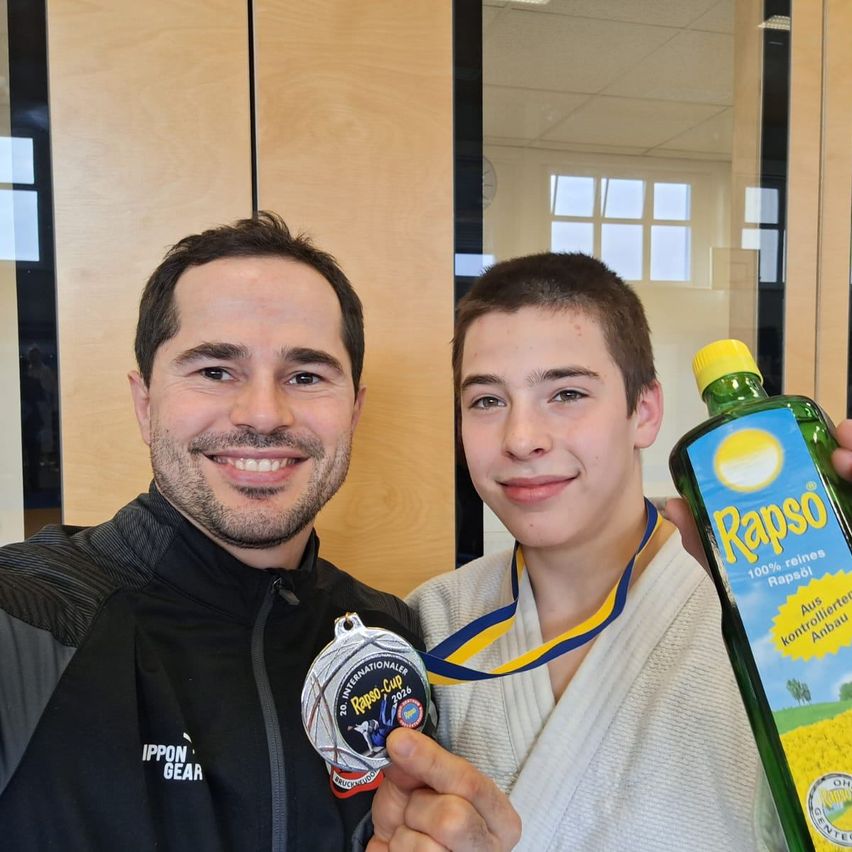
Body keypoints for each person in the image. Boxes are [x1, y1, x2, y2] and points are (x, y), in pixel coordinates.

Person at [0, 212, 519, 851]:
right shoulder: (23, 619)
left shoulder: (390, 640)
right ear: (145, 402)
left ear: (354, 411)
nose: (265, 414)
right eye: (216, 370)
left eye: (306, 376)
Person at [407, 252, 787, 851]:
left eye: (566, 393)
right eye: (486, 401)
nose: (522, 439)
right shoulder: (427, 624)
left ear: (645, 411)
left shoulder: (771, 609)